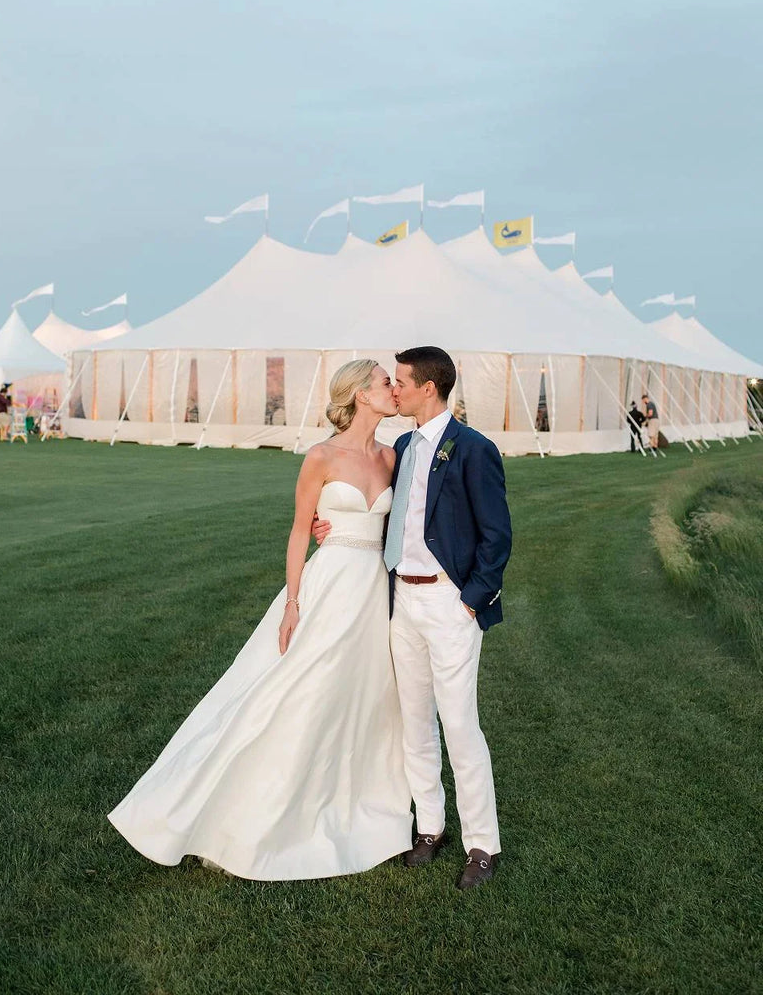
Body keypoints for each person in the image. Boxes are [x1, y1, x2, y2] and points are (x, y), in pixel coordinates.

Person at [108, 360, 413, 880]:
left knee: (365, 694)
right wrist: (293, 602)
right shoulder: (321, 456)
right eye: (386, 382)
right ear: (362, 395)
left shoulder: (393, 457)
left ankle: (357, 795)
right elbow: (298, 531)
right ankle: (255, 811)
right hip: (328, 586)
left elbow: (401, 523)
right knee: (299, 687)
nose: (394, 389)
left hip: (373, 590)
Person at [314, 346, 512, 890]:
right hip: (401, 601)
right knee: (415, 721)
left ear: (428, 388)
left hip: (450, 604)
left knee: (460, 724)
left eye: (400, 382)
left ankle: (482, 844)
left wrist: (471, 599)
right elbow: (388, 516)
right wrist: (330, 526)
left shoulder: (474, 449)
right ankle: (429, 826)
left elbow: (497, 536)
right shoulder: (401, 446)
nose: (394, 390)